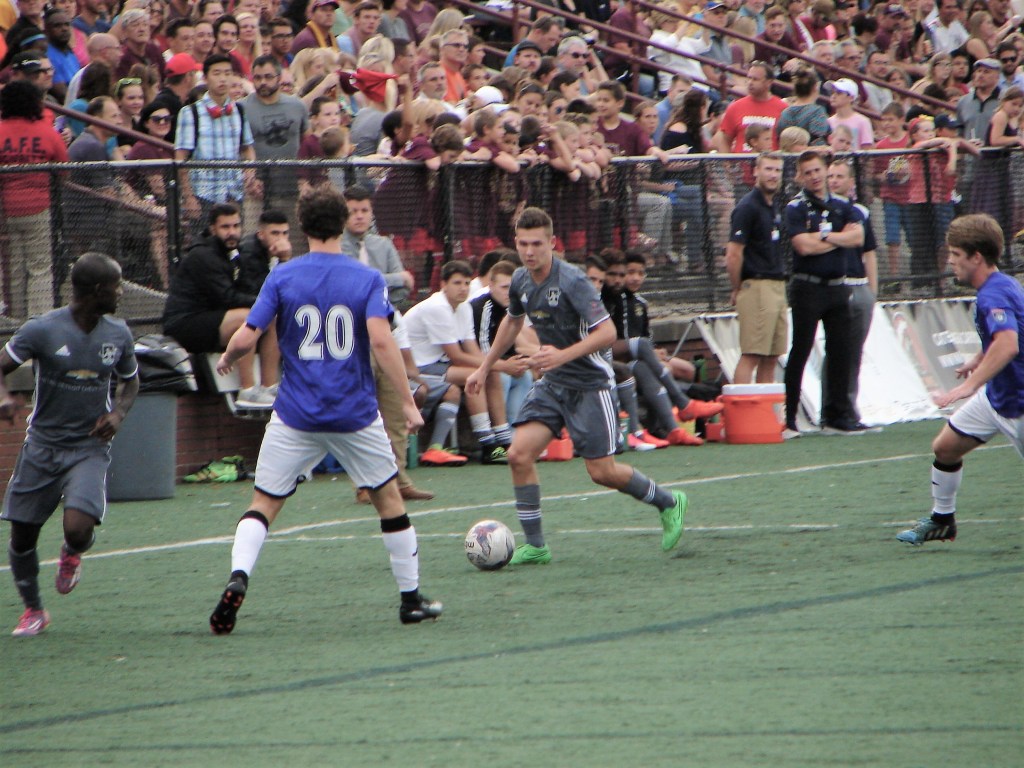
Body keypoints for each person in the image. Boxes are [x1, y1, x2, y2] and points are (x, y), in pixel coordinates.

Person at [208, 186, 441, 633]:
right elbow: (381, 342)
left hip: (295, 413)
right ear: (344, 224)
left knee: (264, 503)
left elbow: (249, 333)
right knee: (388, 499)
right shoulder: (366, 278)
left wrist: (229, 358)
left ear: (303, 226)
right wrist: (407, 401)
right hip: (354, 413)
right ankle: (410, 600)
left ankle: (239, 576)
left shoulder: (283, 275)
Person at [466, 207, 688, 565]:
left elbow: (608, 332)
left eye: (537, 244)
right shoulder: (521, 279)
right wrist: (484, 367)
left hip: (590, 385)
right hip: (554, 385)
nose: (529, 251)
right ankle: (536, 546)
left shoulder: (572, 281)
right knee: (518, 455)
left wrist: (561, 356)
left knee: (602, 472)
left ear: (552, 243)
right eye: (523, 244)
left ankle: (669, 501)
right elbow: (512, 322)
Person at [1, 252, 139, 637]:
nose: (121, 292)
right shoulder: (42, 329)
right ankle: (34, 611)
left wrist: (118, 414)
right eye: (116, 286)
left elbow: (131, 380)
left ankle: (72, 552)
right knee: (22, 536)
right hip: (42, 446)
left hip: (88, 447)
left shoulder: (118, 333)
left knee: (78, 529)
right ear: (96, 290)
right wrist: (3, 398)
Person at [897, 213, 1023, 545]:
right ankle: (942, 520)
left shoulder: (993, 295)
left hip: (1019, 404)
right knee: (945, 447)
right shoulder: (1004, 284)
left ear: (976, 257)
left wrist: (969, 385)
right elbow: (1009, 335)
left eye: (955, 254)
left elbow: (1008, 345)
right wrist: (978, 359)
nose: (950, 261)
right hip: (998, 397)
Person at [162, 203, 281, 407]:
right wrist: (267, 302)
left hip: (214, 319)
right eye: (225, 227)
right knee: (249, 317)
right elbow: (227, 298)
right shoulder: (203, 256)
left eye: (236, 226)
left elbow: (244, 288)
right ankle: (247, 390)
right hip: (185, 325)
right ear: (213, 229)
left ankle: (270, 386)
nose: (232, 232)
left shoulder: (233, 253)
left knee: (273, 317)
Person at [783, 151, 864, 438]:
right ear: (800, 176)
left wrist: (825, 237)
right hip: (808, 287)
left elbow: (857, 237)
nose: (814, 177)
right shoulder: (796, 207)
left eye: (818, 170)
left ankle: (837, 416)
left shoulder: (842, 204)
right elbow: (803, 246)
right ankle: (790, 418)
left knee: (841, 351)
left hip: (838, 286)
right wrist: (839, 239)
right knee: (801, 350)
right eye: (808, 172)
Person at [404, 260, 513, 466]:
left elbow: (471, 350)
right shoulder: (437, 307)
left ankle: (503, 439)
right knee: (476, 375)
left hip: (437, 366)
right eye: (457, 283)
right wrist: (503, 365)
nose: (463, 288)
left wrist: (492, 366)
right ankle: (488, 445)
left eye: (466, 283)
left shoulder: (463, 307)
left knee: (477, 378)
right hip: (415, 369)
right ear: (443, 284)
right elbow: (457, 356)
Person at [0, 80, 67, 320]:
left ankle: (14, 321)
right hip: (39, 207)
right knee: (40, 268)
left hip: (6, 209)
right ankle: (39, 321)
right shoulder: (46, 132)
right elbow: (64, 169)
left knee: (15, 268)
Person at [824, 158, 880, 432]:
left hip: (860, 286)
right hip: (836, 285)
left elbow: (868, 251)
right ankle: (832, 410)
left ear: (850, 181)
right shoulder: (822, 210)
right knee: (837, 350)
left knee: (854, 352)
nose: (834, 180)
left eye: (839, 176)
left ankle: (849, 408)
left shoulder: (861, 212)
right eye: (830, 175)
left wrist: (873, 291)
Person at [726, 152, 788, 385]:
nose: (773, 175)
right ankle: (742, 407)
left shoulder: (773, 205)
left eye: (777, 170)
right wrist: (737, 287)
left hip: (777, 285)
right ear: (756, 171)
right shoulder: (748, 207)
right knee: (752, 354)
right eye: (768, 169)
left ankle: (766, 408)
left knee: (771, 356)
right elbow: (733, 253)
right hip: (757, 286)